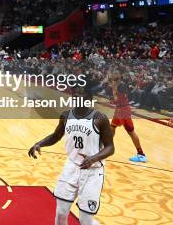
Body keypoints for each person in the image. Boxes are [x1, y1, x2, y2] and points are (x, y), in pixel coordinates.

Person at [28, 86, 115, 225]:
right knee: (61, 213)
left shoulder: (100, 118)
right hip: (71, 167)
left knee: (85, 220)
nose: (78, 96)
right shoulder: (66, 116)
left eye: (82, 93)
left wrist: (93, 158)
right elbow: (56, 136)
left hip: (92, 172)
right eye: (75, 93)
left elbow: (110, 147)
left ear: (89, 98)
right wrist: (39, 143)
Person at [108, 71, 146, 162]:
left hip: (123, 111)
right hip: (119, 110)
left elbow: (118, 100)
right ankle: (106, 146)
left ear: (115, 79)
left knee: (131, 132)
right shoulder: (119, 85)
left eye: (111, 80)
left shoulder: (120, 86)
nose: (110, 82)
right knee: (112, 127)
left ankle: (141, 154)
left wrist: (113, 94)